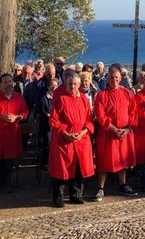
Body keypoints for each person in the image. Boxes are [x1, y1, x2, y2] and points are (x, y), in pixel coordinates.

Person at [93, 64, 137, 201]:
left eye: (117, 77)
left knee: (122, 161)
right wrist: (113, 128)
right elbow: (101, 116)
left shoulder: (127, 93)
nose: (115, 80)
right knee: (104, 161)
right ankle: (100, 188)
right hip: (108, 133)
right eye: (112, 77)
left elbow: (133, 112)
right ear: (108, 78)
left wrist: (127, 129)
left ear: (120, 77)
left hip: (123, 133)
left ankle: (123, 184)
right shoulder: (101, 95)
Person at [49, 75, 94, 207]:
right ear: (66, 85)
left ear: (79, 85)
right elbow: (54, 120)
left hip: (81, 139)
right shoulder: (61, 99)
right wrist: (65, 133)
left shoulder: (84, 99)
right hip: (64, 139)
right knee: (61, 170)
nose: (72, 86)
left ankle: (76, 195)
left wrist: (84, 132)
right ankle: (58, 197)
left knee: (79, 168)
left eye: (74, 84)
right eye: (69, 84)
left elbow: (89, 120)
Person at [0, 74, 29, 195]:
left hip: (11, 134)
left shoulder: (18, 97)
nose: (8, 84)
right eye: (5, 82)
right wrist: (1, 118)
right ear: (1, 84)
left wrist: (17, 117)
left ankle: (5, 183)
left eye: (10, 82)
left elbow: (25, 112)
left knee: (8, 162)